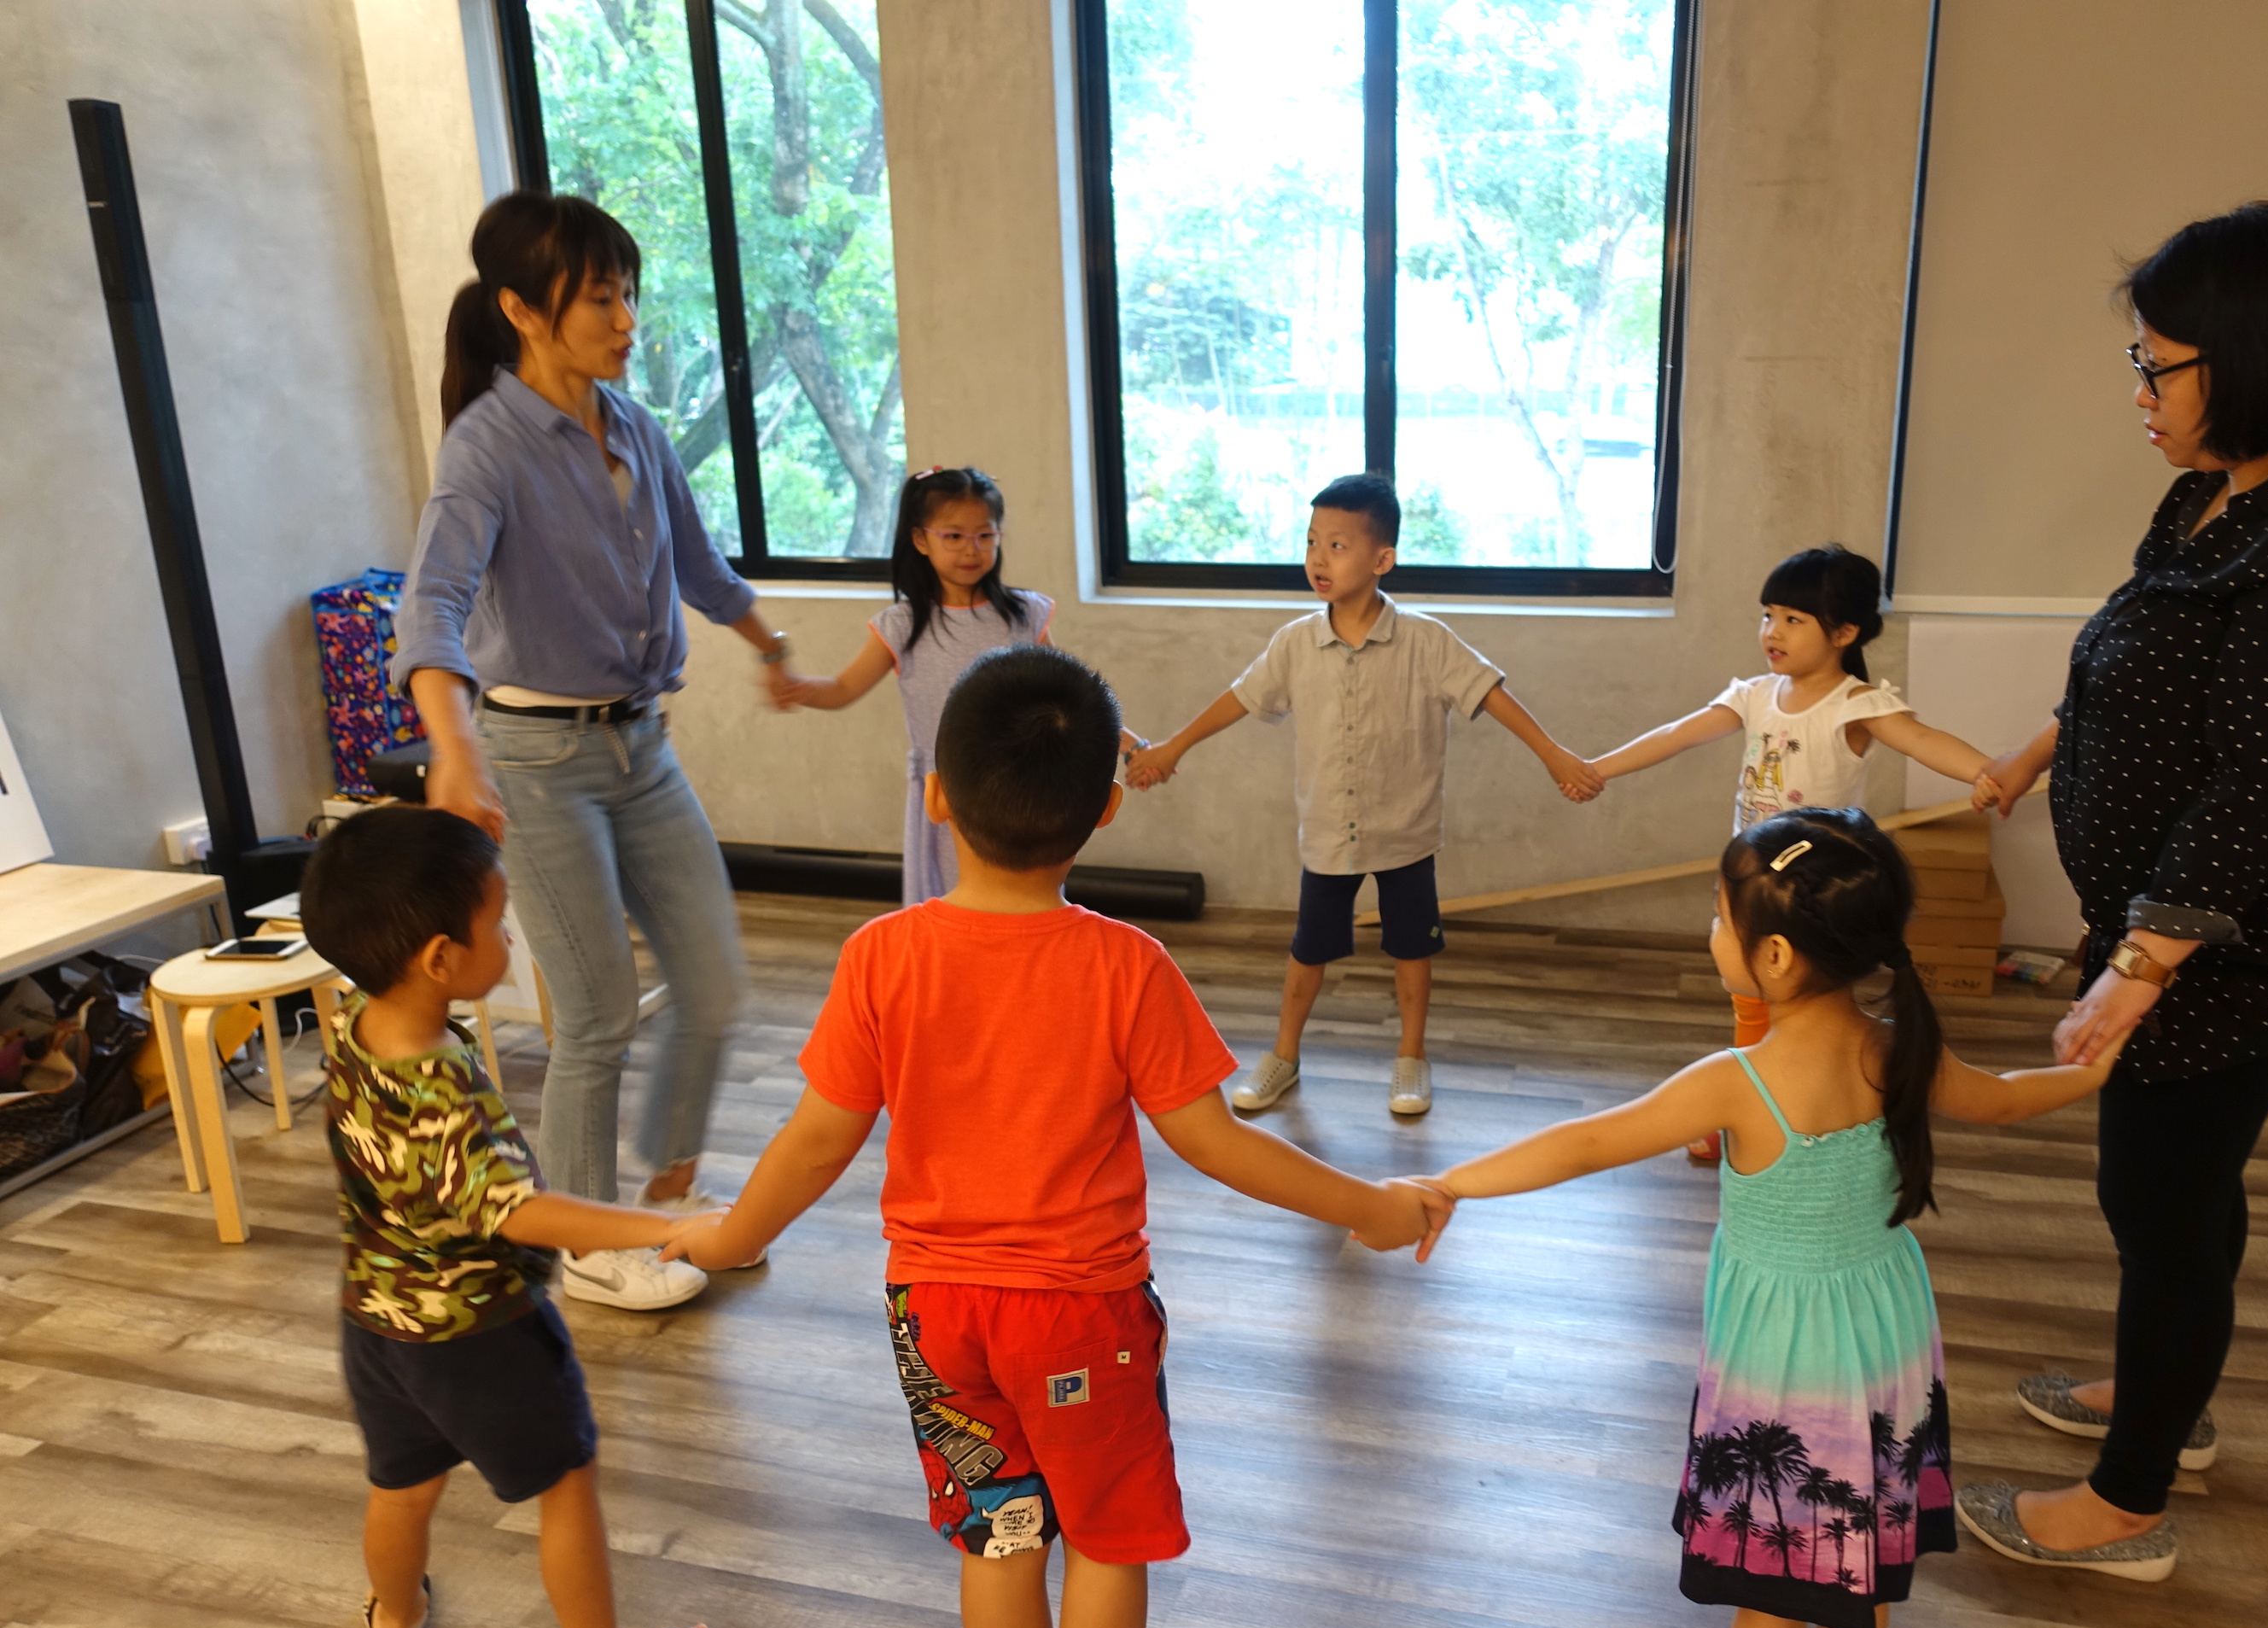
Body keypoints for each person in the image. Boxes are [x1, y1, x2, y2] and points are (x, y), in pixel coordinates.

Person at [662, 645, 1449, 1628]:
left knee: (1000, 1537)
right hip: (1083, 1315)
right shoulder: (1127, 964)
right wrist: (1371, 1207)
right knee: (1108, 1541)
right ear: (1107, 809)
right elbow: (1215, 1141)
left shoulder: (880, 956)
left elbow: (814, 1141)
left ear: (938, 797)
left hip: (935, 1311)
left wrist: (729, 1235)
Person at [1962, 203, 2268, 1577]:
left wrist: (2136, 972)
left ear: (2254, 358)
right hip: (2182, 934)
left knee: (2161, 1201)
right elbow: (2139, 657)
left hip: (2243, 945)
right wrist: (2039, 752)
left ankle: (2127, 1504)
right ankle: (2162, 1400)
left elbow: (2260, 787)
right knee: (2178, 1194)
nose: (2140, 391)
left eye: (2158, 364)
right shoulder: (2227, 488)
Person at [1413, 809, 2121, 1628]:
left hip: (1787, 1368)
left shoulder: (1737, 1080)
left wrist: (1451, 1182)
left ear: (1777, 956)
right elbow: (2008, 1098)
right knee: (1860, 1570)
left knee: (1773, 1590)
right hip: (1886, 1341)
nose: (1712, 929)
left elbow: (1588, 1143)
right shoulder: (1899, 1046)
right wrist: (2094, 1068)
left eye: (1720, 915)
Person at [395, 191, 797, 1312]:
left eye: (628, 295)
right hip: (535, 760)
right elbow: (432, 605)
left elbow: (700, 567)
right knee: (598, 1014)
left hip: (642, 747)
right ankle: (585, 1243)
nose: (626, 321)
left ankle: (665, 1198)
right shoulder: (487, 447)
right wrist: (454, 746)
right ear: (523, 311)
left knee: (712, 986)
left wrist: (772, 645)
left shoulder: (634, 427)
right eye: (600, 300)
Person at [300, 806, 724, 1628]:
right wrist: (662, 1229)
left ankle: (395, 1622)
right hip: (480, 1333)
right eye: (498, 922)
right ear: (439, 958)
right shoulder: (440, 1089)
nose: (509, 934)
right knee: (567, 1482)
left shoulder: (357, 1026)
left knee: (402, 1483)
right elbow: (520, 1211)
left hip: (378, 1321)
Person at [1122, 473, 1599, 1117]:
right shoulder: (1295, 643)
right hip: (1327, 833)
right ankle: (1283, 1057)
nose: (1318, 558)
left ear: (1382, 559)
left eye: (1338, 545)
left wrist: (1554, 755)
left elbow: (1491, 695)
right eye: (1311, 541)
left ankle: (1412, 1058)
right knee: (1308, 949)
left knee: (1412, 948)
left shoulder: (1427, 640)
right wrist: (1172, 749)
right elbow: (1240, 698)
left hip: (1406, 832)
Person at [1577, 546, 1995, 1163]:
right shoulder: (1754, 696)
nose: (1772, 631)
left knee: (1811, 1012)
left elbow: (1922, 739)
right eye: (1768, 615)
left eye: (1793, 619)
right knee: (1751, 1004)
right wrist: (1596, 768)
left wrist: (1990, 773)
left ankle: (1813, 1110)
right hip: (1753, 884)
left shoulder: (1856, 705)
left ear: (1844, 632)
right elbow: (1676, 734)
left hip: (1814, 899)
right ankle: (1744, 1110)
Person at [782, 466, 1104, 906]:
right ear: (920, 540)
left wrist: (1131, 746)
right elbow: (842, 688)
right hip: (946, 795)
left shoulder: (1025, 616)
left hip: (1022, 788)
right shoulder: (901, 626)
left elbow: (1069, 695)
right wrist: (796, 687)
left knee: (1026, 902)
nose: (971, 549)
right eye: (953, 536)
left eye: (985, 536)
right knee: (953, 903)